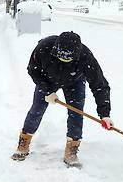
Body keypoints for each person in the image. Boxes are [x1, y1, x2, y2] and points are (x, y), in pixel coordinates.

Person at [11, 31, 113, 167]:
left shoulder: (85, 56)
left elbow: (99, 85)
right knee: (37, 110)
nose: (64, 60)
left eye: (68, 59)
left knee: (76, 113)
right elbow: (33, 69)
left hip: (74, 81)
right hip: (47, 80)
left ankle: (71, 150)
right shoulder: (44, 47)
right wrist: (47, 90)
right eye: (61, 57)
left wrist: (105, 114)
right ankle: (24, 142)